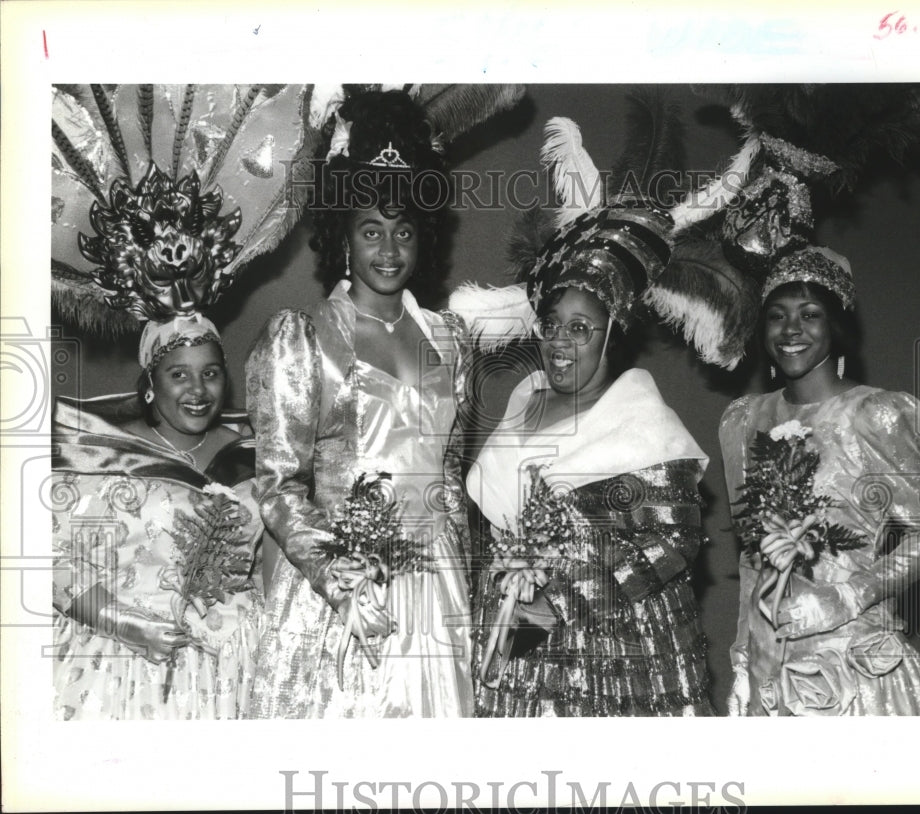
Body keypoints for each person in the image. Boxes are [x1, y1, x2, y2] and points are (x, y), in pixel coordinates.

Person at [450, 114, 748, 716]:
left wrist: (562, 596)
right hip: (516, 634)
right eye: (553, 326)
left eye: (580, 329)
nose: (561, 342)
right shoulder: (521, 401)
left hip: (618, 653)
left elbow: (673, 542)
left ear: (611, 334)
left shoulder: (643, 422)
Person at [246, 89, 474, 718]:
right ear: (343, 235)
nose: (390, 249)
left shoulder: (452, 342)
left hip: (436, 591)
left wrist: (470, 570)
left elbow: (449, 476)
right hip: (341, 592)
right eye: (371, 230)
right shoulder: (303, 337)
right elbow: (280, 487)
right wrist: (336, 576)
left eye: (404, 231)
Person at [719, 246, 920, 716]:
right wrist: (742, 661)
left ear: (836, 326)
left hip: (852, 665)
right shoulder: (743, 420)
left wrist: (847, 597)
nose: (791, 330)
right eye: (777, 316)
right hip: (770, 669)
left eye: (810, 315)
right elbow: (751, 557)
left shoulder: (873, 414)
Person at [52, 315, 265, 720]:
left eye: (211, 373)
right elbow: (48, 559)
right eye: (179, 374)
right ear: (151, 382)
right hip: (126, 661)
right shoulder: (103, 455)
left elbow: (266, 564)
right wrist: (120, 622)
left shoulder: (255, 454)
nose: (198, 390)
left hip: (234, 667)